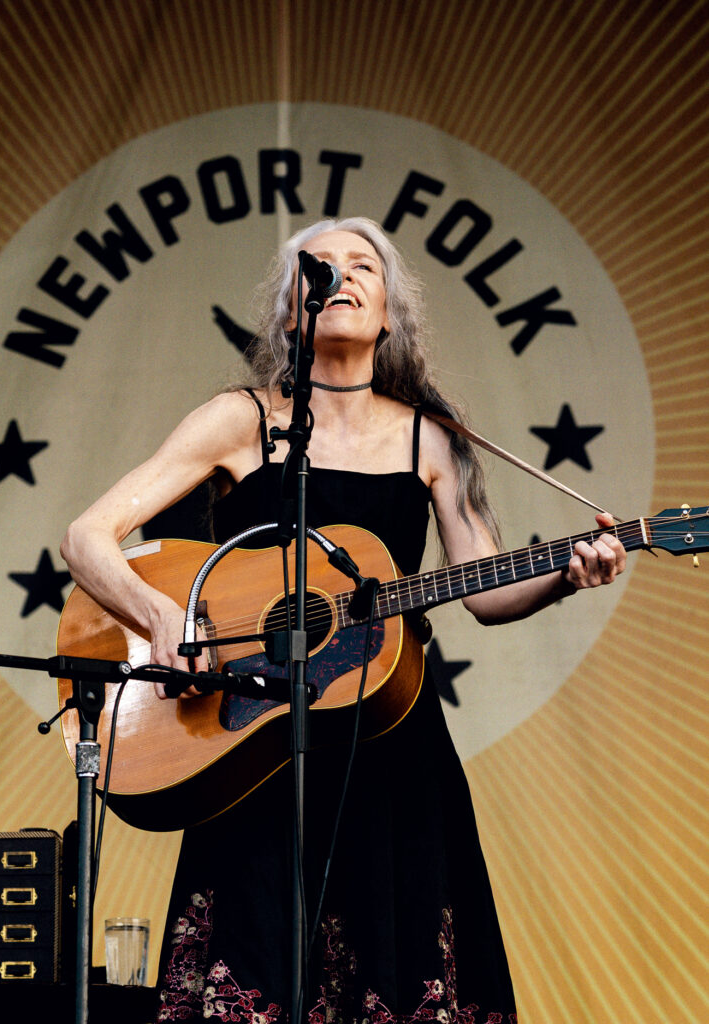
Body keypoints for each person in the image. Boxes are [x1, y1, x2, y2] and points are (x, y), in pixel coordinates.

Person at [61, 217, 626, 1024]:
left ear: (389, 312)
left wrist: (568, 578)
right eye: (317, 269)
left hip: (389, 747)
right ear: (291, 311)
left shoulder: (433, 439)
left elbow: (483, 590)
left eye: (364, 267)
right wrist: (161, 620)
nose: (342, 278)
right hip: (255, 741)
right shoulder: (240, 419)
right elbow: (87, 538)